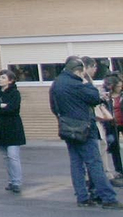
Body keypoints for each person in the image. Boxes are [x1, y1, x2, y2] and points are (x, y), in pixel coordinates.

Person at [48, 55, 119, 208]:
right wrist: (86, 82)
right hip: (85, 128)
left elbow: (54, 107)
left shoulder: (56, 84)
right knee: (94, 163)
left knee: (76, 163)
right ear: (78, 71)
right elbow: (95, 97)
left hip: (67, 127)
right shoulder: (78, 84)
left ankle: (82, 197)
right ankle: (108, 198)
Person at [0, 69, 26, 193]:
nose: (0, 80)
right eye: (0, 77)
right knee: (6, 157)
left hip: (12, 129)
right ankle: (11, 181)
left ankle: (17, 182)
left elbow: (12, 109)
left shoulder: (15, 93)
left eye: (3, 78)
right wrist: (0, 105)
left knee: (13, 156)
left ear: (10, 81)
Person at [103, 74, 123, 185]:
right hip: (112, 125)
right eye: (118, 86)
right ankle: (119, 170)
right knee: (115, 147)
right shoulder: (108, 97)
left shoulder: (122, 96)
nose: (120, 87)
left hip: (122, 122)